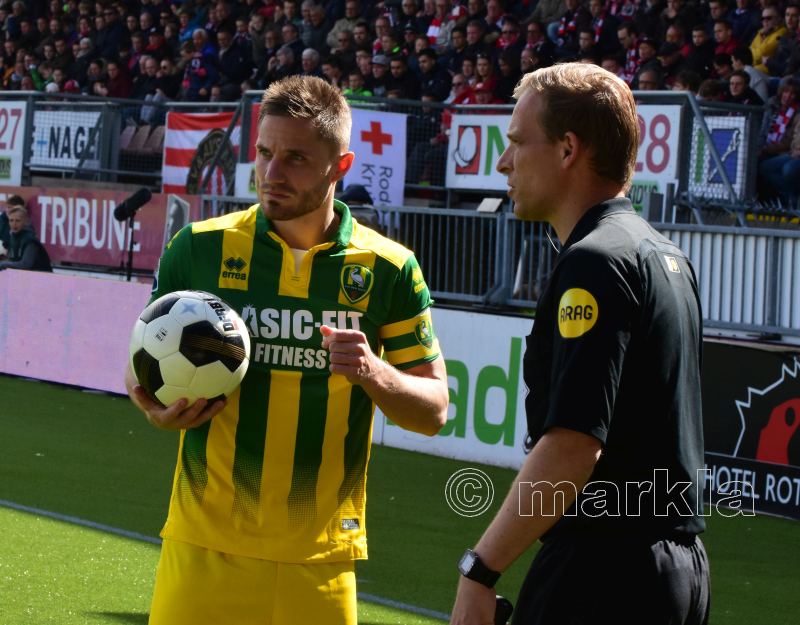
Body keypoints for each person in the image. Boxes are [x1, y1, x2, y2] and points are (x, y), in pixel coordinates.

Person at [124, 75, 449, 625]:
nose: (271, 174)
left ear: (339, 167)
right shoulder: (199, 248)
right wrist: (153, 410)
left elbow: (434, 411)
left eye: (296, 158)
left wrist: (373, 372)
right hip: (205, 545)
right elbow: (143, 366)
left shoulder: (390, 268)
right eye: (265, 152)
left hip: (320, 558)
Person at [449, 63, 710, 625]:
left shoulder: (596, 261)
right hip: (676, 567)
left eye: (517, 142)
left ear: (568, 149)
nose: (503, 161)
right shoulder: (662, 253)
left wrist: (481, 570)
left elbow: (572, 445)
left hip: (607, 572)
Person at [0, 206, 52, 272]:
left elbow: (25, 264)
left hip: (42, 277)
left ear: (25, 221)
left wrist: (3, 264)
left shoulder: (30, 240)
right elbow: (13, 260)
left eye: (18, 220)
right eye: (11, 220)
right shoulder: (13, 236)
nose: (14, 224)